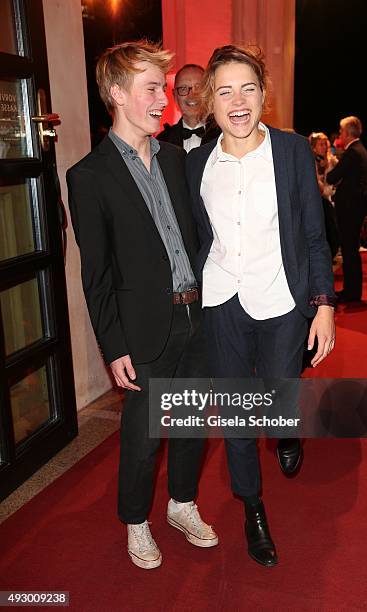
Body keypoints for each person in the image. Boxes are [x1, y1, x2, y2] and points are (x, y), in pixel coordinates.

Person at [66, 41, 218, 571]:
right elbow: (97, 275)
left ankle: (181, 504)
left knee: (193, 421)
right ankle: (136, 521)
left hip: (196, 315)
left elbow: (197, 239)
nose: (165, 100)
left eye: (164, 87)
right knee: (143, 435)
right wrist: (115, 346)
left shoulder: (177, 159)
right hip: (143, 329)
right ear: (116, 94)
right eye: (152, 88)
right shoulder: (89, 177)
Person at [186, 45, 336, 567]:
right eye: (224, 90)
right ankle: (252, 509)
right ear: (211, 101)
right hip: (223, 299)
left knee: (277, 394)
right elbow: (194, 238)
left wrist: (323, 304)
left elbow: (315, 237)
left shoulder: (293, 152)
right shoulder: (197, 164)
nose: (238, 100)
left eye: (248, 87)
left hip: (280, 298)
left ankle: (286, 425)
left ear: (264, 94)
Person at [326, 116, 367, 303]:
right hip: (355, 208)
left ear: (348, 132)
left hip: (350, 209)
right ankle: (352, 290)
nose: (340, 135)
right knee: (351, 249)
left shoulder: (352, 152)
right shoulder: (360, 150)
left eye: (341, 131)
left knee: (349, 250)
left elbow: (332, 177)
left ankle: (352, 292)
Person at [157, 63, 220, 150]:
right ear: (175, 96)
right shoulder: (162, 141)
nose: (192, 95)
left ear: (208, 93)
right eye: (183, 89)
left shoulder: (224, 135)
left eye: (199, 87)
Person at [309, 131, 339, 259]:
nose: (324, 147)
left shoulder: (333, 160)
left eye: (325, 144)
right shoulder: (311, 161)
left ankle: (331, 253)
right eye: (320, 144)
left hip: (332, 199)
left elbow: (338, 178)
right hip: (318, 200)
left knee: (333, 229)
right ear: (314, 147)